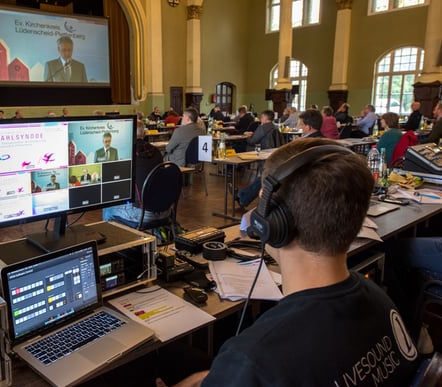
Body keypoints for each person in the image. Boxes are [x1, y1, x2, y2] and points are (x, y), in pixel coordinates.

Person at [157, 138, 419, 387]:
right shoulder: (381, 299)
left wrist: (232, 372)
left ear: (273, 222)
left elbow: (256, 369)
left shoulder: (253, 358)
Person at [102, 120, 170, 223]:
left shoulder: (128, 154)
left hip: (143, 213)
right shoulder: (156, 152)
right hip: (165, 209)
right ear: (144, 134)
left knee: (108, 207)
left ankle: (112, 236)